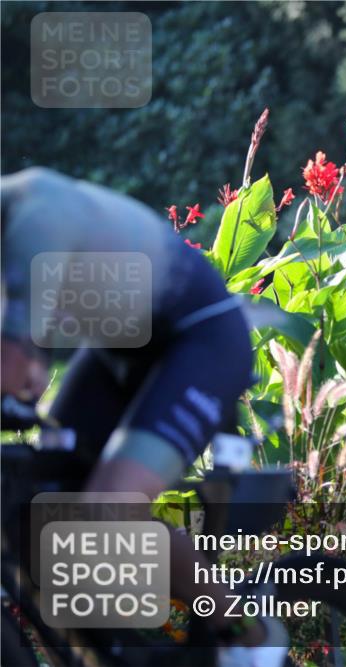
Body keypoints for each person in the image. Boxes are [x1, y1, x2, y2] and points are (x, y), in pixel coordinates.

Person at [1, 167, 286, 667]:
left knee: (101, 513)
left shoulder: (33, 217)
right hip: (121, 355)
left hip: (200, 341)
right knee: (34, 509)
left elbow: (15, 363)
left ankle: (247, 630)